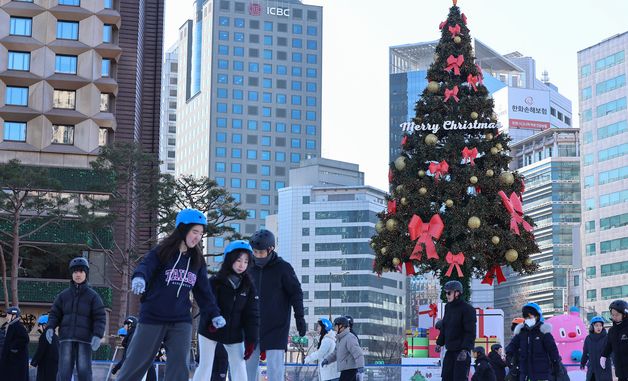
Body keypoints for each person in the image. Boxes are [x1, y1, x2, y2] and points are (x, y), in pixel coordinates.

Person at [116, 208, 224, 381]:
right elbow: (146, 266)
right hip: (153, 316)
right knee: (136, 363)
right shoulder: (162, 252)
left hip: (181, 319)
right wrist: (139, 278)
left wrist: (214, 314)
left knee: (180, 366)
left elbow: (204, 292)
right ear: (183, 229)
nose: (197, 237)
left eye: (201, 233)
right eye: (194, 231)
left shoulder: (197, 261)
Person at [193, 240, 259, 381]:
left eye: (246, 261)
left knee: (239, 366)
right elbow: (207, 305)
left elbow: (252, 315)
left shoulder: (248, 287)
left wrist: (251, 339)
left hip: (234, 334)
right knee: (205, 365)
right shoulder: (215, 282)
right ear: (230, 260)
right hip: (210, 331)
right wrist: (212, 321)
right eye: (238, 260)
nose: (242, 265)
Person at [245, 229, 306, 381]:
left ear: (270, 249)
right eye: (255, 252)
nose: (257, 255)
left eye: (261, 252)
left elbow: (296, 293)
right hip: (251, 326)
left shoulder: (283, 268)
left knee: (275, 369)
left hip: (276, 327)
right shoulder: (248, 267)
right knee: (247, 369)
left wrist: (300, 318)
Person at [46, 257, 106, 381]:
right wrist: (50, 327)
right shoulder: (63, 296)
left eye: (81, 271)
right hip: (66, 339)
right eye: (75, 272)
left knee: (84, 371)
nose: (78, 274)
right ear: (71, 274)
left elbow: (100, 317)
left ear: (86, 274)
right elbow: (54, 314)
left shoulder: (93, 297)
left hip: (84, 340)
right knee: (63, 371)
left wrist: (97, 335)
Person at [506, 302, 563, 381]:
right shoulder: (521, 333)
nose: (528, 319)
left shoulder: (543, 332)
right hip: (525, 374)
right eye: (526, 317)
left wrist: (557, 367)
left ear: (537, 316)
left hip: (542, 375)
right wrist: (509, 356)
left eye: (530, 316)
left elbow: (553, 351)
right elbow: (511, 346)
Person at [435, 280, 477, 381]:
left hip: (461, 352)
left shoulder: (467, 309)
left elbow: (470, 332)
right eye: (446, 292)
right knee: (446, 377)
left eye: (449, 292)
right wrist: (439, 343)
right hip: (450, 351)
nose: (447, 295)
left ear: (457, 293)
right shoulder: (448, 307)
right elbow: (445, 327)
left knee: (459, 378)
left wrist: (465, 349)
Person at [321, 316, 364, 381]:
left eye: (335, 326)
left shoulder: (349, 337)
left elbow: (358, 353)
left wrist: (360, 366)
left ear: (341, 326)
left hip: (350, 369)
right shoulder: (340, 339)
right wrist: (327, 360)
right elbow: (335, 353)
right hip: (345, 369)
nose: (334, 328)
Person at [601, 300, 628, 381]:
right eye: (613, 315)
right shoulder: (612, 330)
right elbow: (609, 345)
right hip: (620, 371)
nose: (614, 317)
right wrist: (604, 356)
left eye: (617, 315)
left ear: (624, 314)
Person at [0, 306, 29, 381]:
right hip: (11, 362)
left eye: (8, 314)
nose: (6, 317)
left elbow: (25, 339)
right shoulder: (11, 326)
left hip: (15, 364)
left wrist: (12, 348)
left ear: (14, 316)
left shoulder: (17, 326)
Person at [580, 316, 612, 381]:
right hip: (592, 370)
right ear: (592, 326)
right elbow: (585, 352)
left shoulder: (607, 338)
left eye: (600, 325)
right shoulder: (588, 339)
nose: (599, 327)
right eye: (596, 325)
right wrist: (583, 362)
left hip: (604, 369)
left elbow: (612, 351)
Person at [31, 314, 59, 381]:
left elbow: (40, 351)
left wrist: (33, 363)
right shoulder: (55, 337)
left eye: (39, 325)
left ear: (44, 325)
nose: (38, 328)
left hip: (45, 368)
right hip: (54, 368)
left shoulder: (45, 335)